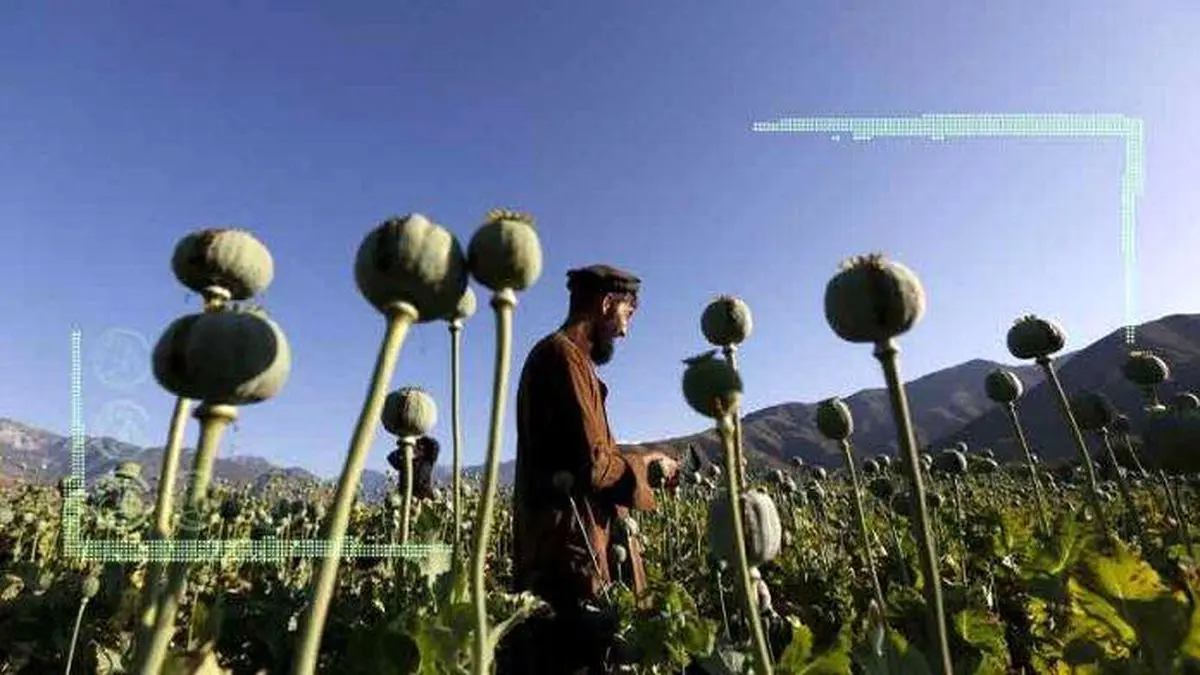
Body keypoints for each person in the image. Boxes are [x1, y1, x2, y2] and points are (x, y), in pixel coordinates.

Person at [501, 263, 679, 674]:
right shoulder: (562, 358)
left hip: (570, 557)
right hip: (567, 564)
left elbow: (588, 452)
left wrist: (639, 457)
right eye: (627, 315)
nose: (625, 330)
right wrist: (649, 465)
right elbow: (594, 466)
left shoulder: (570, 361)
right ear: (605, 304)